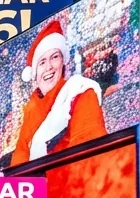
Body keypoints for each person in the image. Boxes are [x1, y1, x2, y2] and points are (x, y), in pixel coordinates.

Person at [9, 20, 107, 167]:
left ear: (63, 62)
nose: (49, 67)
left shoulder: (80, 92)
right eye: (42, 62)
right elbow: (19, 161)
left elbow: (90, 159)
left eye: (55, 57)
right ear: (34, 73)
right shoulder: (31, 111)